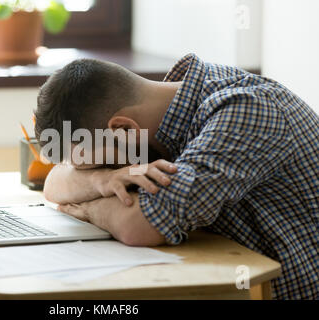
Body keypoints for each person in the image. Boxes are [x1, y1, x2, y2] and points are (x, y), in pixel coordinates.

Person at [33, 54, 318, 299]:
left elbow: (139, 226)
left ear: (123, 129)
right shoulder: (164, 110)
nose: (111, 173)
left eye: (100, 164)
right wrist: (103, 180)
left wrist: (84, 206)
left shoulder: (245, 110)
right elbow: (54, 183)